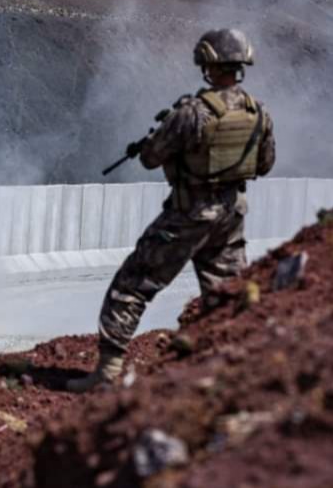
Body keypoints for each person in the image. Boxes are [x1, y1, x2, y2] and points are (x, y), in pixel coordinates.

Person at [68, 28, 276, 393]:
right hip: (231, 215)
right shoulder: (258, 112)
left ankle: (107, 373)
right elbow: (264, 164)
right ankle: (233, 378)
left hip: (188, 214)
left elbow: (151, 158)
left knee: (132, 284)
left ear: (209, 65)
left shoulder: (192, 113)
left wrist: (163, 139)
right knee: (226, 295)